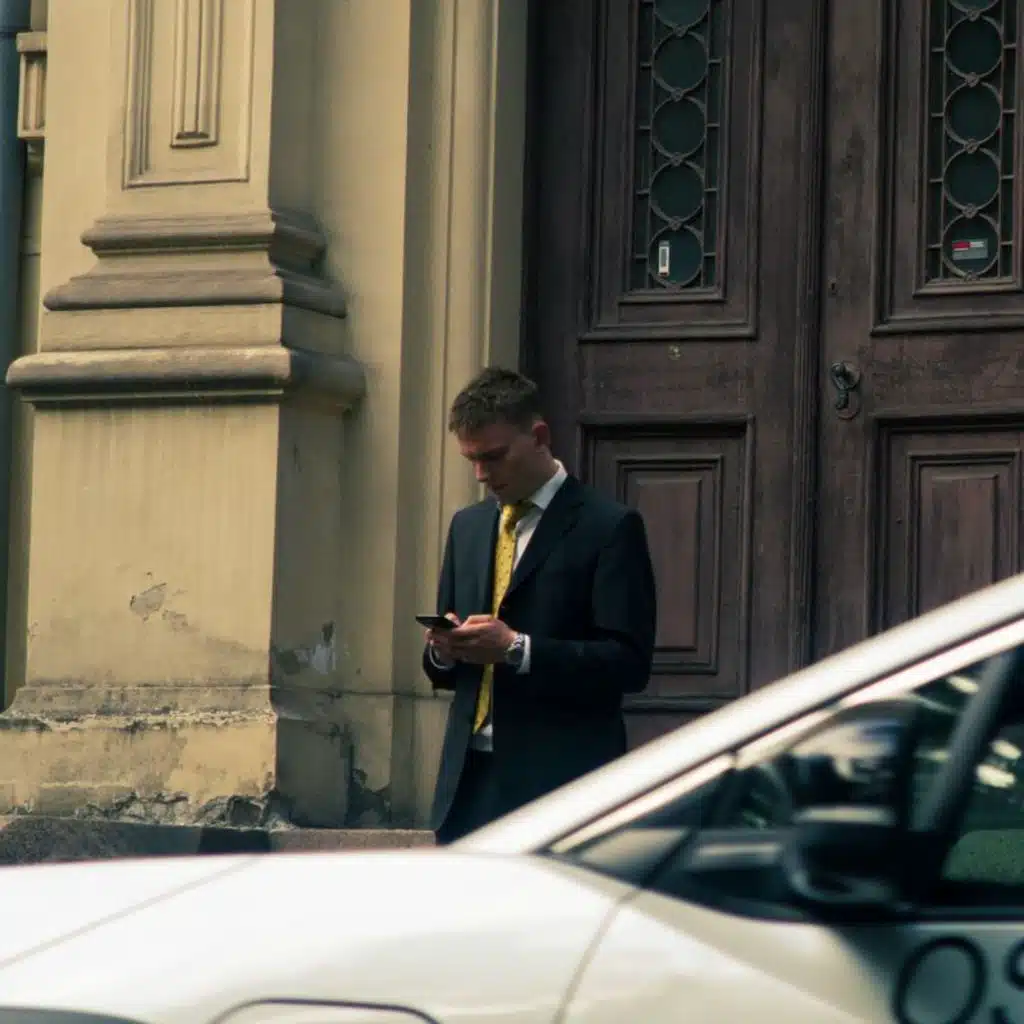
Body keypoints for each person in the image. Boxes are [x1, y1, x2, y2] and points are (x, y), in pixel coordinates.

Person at [423, 366, 657, 844]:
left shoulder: (609, 526)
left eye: (493, 457)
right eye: (471, 460)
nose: (482, 474)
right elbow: (445, 670)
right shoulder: (467, 526)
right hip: (467, 785)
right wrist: (443, 651)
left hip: (562, 784)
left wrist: (517, 649)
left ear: (539, 437)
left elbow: (629, 665)